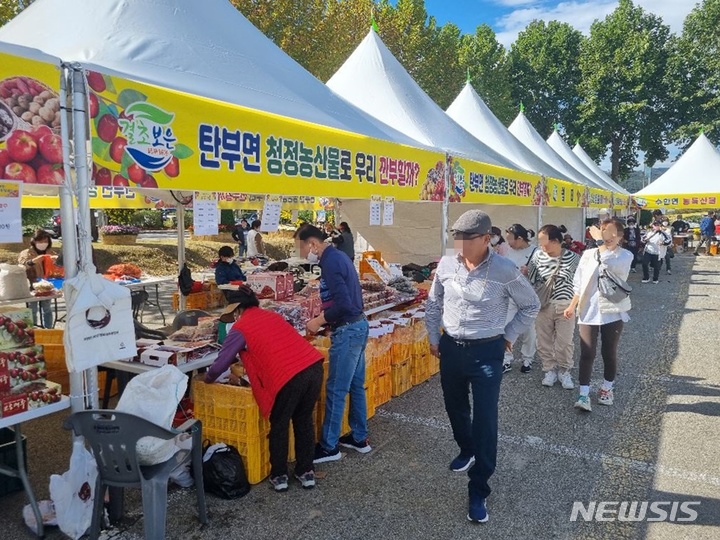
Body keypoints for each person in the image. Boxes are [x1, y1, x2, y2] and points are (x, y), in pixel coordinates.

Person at [425, 210, 539, 524]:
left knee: (486, 418)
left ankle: (479, 487)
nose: (460, 243)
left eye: (467, 238)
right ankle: (467, 448)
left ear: (486, 239)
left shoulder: (505, 269)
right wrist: (434, 336)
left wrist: (510, 336)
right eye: (456, 237)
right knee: (454, 406)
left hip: (488, 350)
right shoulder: (447, 264)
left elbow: (531, 305)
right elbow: (434, 301)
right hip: (451, 347)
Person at [204, 286, 324, 491]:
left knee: (279, 423)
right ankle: (306, 471)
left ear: (237, 310)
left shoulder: (241, 327)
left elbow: (221, 362)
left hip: (288, 376)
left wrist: (208, 379)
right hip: (313, 367)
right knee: (303, 420)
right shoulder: (272, 315)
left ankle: (279, 476)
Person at [293, 224, 370, 463]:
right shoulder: (337, 257)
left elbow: (344, 304)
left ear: (313, 244)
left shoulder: (331, 262)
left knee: (337, 388)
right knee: (356, 385)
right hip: (357, 326)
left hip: (348, 330)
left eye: (302, 248)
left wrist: (319, 320)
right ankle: (359, 438)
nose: (303, 254)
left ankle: (329, 446)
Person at [564, 218, 633, 412]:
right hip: (588, 309)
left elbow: (610, 268)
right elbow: (579, 282)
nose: (608, 236)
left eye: (613, 233)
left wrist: (600, 243)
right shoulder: (587, 254)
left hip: (613, 310)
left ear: (620, 236)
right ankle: (583, 393)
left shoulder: (624, 256)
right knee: (587, 352)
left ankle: (607, 388)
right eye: (604, 231)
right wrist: (572, 306)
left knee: (608, 352)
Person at [528, 225, 580, 390]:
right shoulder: (537, 257)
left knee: (564, 342)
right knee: (544, 341)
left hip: (566, 306)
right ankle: (549, 369)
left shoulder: (574, 258)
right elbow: (532, 279)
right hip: (543, 305)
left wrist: (574, 305)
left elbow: (580, 284)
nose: (542, 246)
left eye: (544, 242)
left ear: (556, 241)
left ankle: (565, 370)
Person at [502, 224, 537, 373]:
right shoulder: (508, 252)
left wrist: (530, 272)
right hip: (511, 296)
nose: (509, 242)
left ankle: (528, 359)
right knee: (506, 327)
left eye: (511, 239)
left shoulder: (536, 252)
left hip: (529, 298)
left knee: (530, 330)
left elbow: (545, 276)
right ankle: (505, 359)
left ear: (520, 238)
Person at [18, 229, 56, 328]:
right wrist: (33, 261)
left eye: (46, 241)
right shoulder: (27, 252)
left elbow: (59, 268)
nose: (43, 244)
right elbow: (21, 266)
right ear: (34, 241)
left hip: (47, 286)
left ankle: (49, 330)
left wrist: (57, 261)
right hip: (32, 285)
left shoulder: (51, 252)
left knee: (47, 309)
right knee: (32, 310)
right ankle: (34, 331)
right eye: (40, 241)